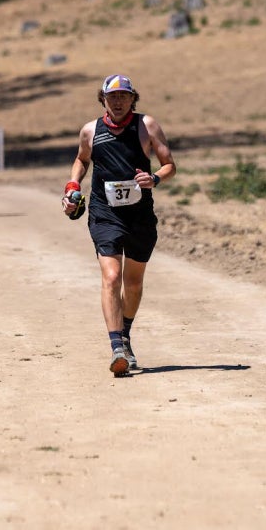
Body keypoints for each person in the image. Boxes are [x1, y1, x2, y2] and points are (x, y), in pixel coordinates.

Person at [61, 74, 177, 376]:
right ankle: (116, 348)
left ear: (132, 98)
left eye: (124, 96)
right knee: (111, 277)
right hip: (104, 212)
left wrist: (155, 179)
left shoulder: (147, 126)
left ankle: (125, 334)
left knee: (133, 282)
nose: (118, 101)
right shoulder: (90, 130)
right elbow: (81, 159)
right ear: (103, 99)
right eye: (112, 97)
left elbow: (169, 164)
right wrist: (73, 185)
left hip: (139, 216)